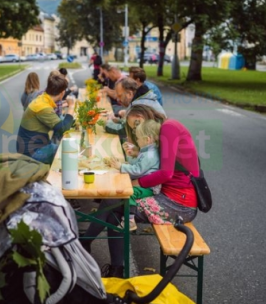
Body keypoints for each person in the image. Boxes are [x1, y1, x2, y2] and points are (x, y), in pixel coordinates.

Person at [81, 105, 199, 278]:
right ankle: (110, 264)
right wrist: (137, 153)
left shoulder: (169, 128)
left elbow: (166, 173)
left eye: (137, 124)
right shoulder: (165, 128)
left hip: (178, 203)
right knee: (114, 203)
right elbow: (160, 159)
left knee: (115, 204)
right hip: (172, 195)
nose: (137, 130)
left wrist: (137, 182)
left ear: (144, 116)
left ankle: (103, 258)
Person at [105, 119, 162, 232]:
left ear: (147, 139)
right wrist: (130, 158)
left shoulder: (149, 155)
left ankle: (130, 221)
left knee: (130, 193)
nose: (136, 140)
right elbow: (138, 164)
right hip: (143, 183)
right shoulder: (146, 151)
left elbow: (137, 170)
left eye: (138, 138)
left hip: (148, 188)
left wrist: (121, 166)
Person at [17, 74, 74, 164]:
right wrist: (71, 106)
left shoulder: (42, 99)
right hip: (32, 152)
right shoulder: (43, 107)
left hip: (30, 147)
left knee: (63, 146)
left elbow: (56, 123)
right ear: (62, 93)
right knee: (69, 151)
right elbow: (63, 129)